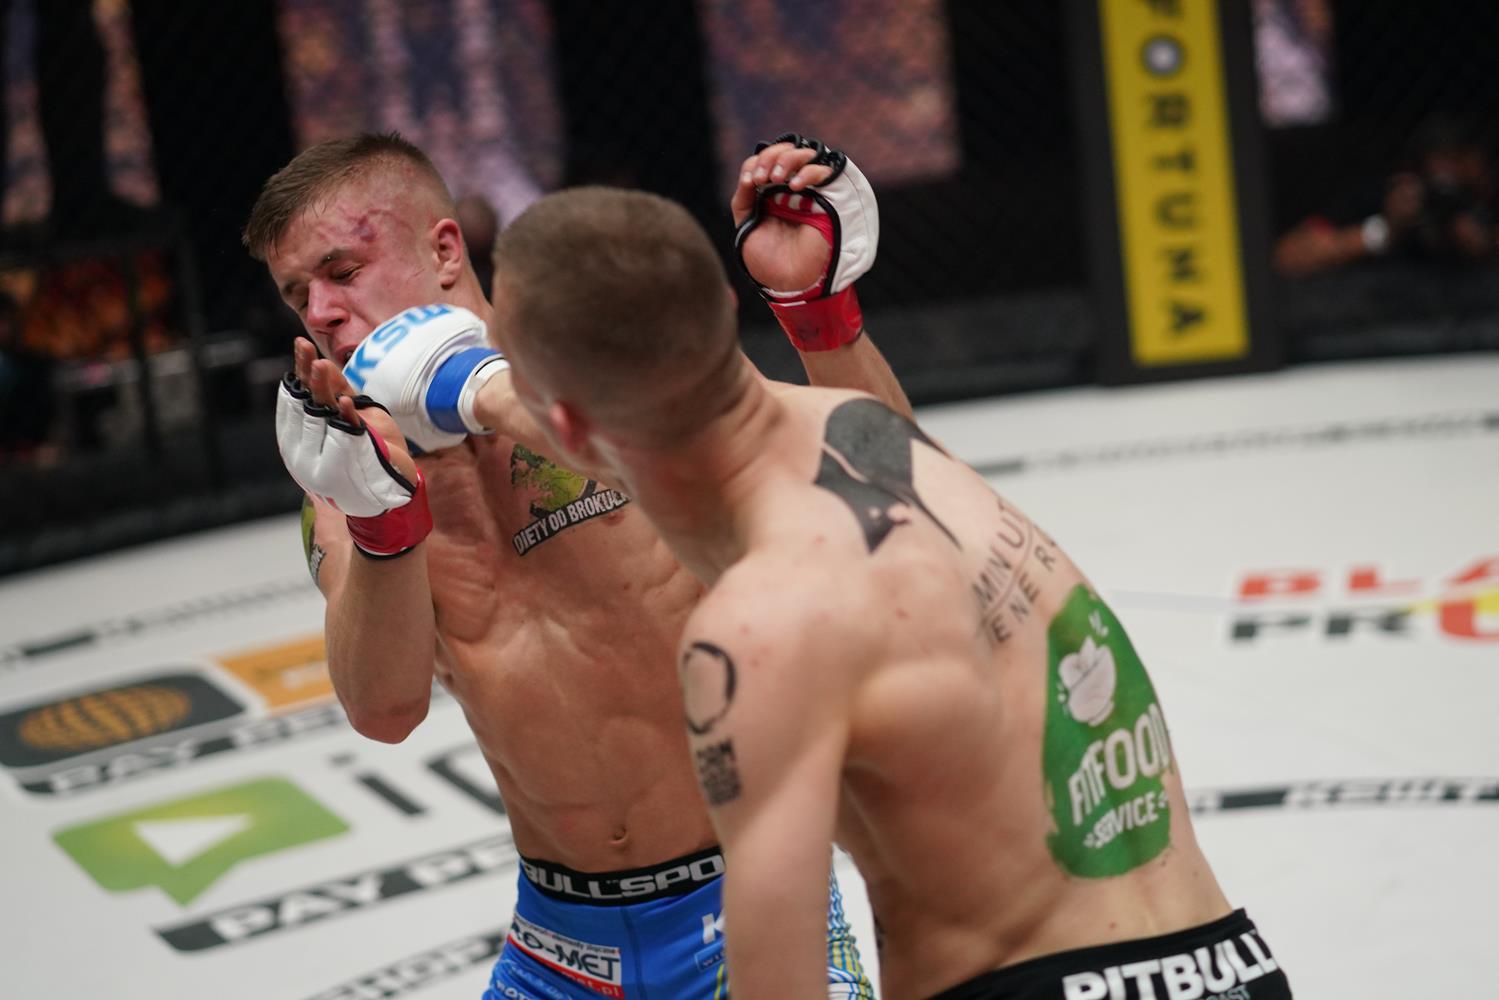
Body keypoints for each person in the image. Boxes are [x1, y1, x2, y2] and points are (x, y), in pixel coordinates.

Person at [468, 180, 1295, 999]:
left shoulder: (756, 631)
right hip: (1230, 966)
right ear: (722, 306)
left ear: (565, 428)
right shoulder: (873, 437)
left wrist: (474, 387)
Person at [245, 131, 906, 998]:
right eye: (299, 294)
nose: (323, 311)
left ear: (444, 251)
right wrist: (381, 525)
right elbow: (385, 708)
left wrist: (818, 316)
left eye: (343, 271)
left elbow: (893, 502)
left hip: (749, 907)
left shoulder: (605, 356)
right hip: (560, 950)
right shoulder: (344, 472)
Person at [1272, 113, 1498, 277]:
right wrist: (1385, 231)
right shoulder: (1386, 200)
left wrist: (1484, 243)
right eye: (1440, 166)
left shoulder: (1482, 200)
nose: (1447, 181)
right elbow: (1287, 256)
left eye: (1458, 163)